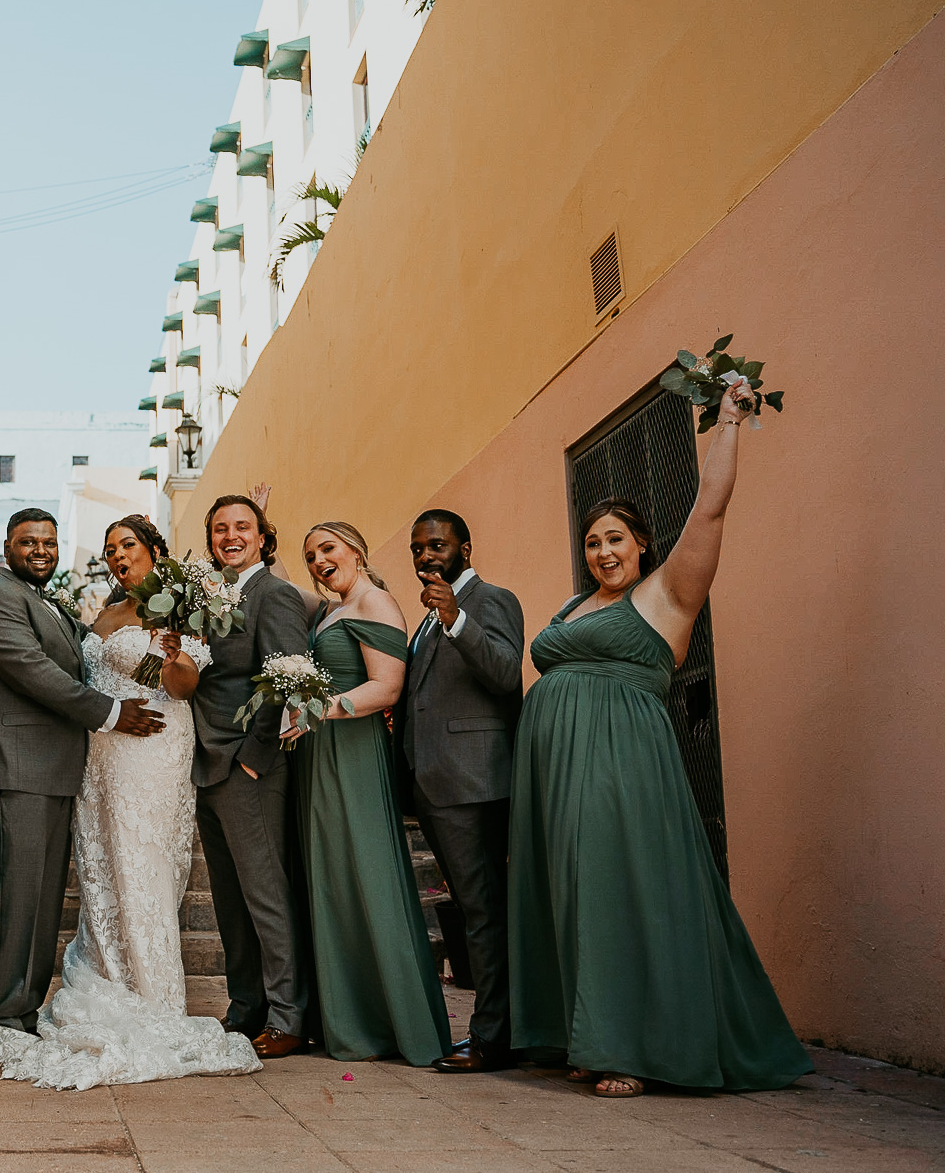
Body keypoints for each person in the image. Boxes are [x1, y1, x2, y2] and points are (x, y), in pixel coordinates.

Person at [509, 380, 812, 1097]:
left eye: (615, 538)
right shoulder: (573, 604)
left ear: (642, 543)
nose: (602, 551)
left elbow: (711, 505)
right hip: (557, 772)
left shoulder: (669, 593)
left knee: (622, 890)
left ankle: (631, 1049)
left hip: (622, 762)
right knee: (577, 890)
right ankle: (589, 1032)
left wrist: (729, 421)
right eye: (592, 541)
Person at [0, 516, 260, 1089]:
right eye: (109, 548)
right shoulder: (102, 610)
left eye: (127, 545)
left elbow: (183, 685)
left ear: (154, 550)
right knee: (103, 875)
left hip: (151, 747)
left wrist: (171, 652)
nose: (116, 556)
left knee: (143, 873)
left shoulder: (181, 607)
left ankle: (153, 999)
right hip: (100, 758)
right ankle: (107, 980)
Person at [0, 509, 165, 1054]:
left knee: (44, 898)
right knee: (20, 895)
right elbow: (34, 671)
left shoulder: (48, 601)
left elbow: (94, 654)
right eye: (28, 541)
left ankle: (21, 1009)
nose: (41, 550)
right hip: (18, 763)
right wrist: (108, 713)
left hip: (56, 768)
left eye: (50, 543)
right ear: (6, 545)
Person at [286, 523, 450, 1066]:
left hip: (353, 751)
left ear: (355, 548)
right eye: (311, 555)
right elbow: (281, 584)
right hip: (319, 752)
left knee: (367, 870)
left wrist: (321, 709)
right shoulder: (331, 609)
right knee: (334, 876)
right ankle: (349, 1019)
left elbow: (388, 687)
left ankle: (395, 1021)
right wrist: (262, 528)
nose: (318, 561)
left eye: (327, 549)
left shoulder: (375, 599)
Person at [399, 509, 525, 1073]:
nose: (427, 556)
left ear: (466, 548)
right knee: (476, 911)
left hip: (475, 784)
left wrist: (457, 619)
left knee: (484, 913)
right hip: (435, 784)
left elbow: (503, 673)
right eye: (418, 548)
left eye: (438, 546)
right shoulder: (424, 617)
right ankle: (496, 1030)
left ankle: (492, 1037)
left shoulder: (491, 600)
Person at [191, 495, 312, 1059]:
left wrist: (252, 756)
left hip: (248, 767)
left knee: (265, 894)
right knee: (229, 899)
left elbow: (286, 677)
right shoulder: (209, 595)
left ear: (263, 538)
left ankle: (288, 1014)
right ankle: (245, 1008)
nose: (230, 536)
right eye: (221, 529)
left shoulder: (275, 594)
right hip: (205, 766)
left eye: (242, 527)